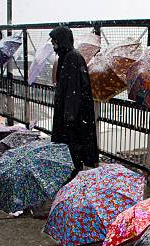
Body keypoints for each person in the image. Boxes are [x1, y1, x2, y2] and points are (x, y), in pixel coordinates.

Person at [49, 26, 99, 172]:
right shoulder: (67, 57)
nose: (54, 45)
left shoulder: (72, 58)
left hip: (72, 119)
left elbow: (73, 91)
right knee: (70, 151)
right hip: (70, 117)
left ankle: (72, 176)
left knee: (72, 151)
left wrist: (69, 118)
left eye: (55, 41)